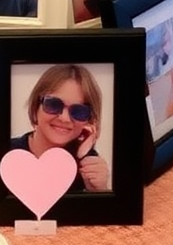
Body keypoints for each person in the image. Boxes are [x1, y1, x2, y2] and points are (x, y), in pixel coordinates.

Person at [7, 63, 110, 192]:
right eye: (53, 104)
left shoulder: (89, 165)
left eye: (78, 111)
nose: (64, 118)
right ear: (36, 106)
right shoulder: (7, 153)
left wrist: (99, 191)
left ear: (89, 120)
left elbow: (101, 212)